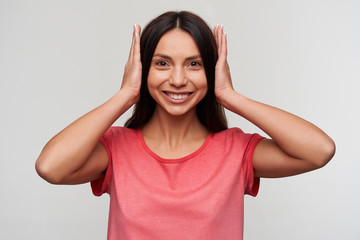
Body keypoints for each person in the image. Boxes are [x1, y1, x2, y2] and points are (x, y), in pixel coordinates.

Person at [35, 11, 335, 240]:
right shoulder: (115, 148)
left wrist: (230, 96)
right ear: (142, 69)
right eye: (162, 63)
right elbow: (51, 167)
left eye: (194, 64)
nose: (178, 79)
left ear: (213, 70)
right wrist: (126, 94)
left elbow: (319, 151)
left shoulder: (236, 150)